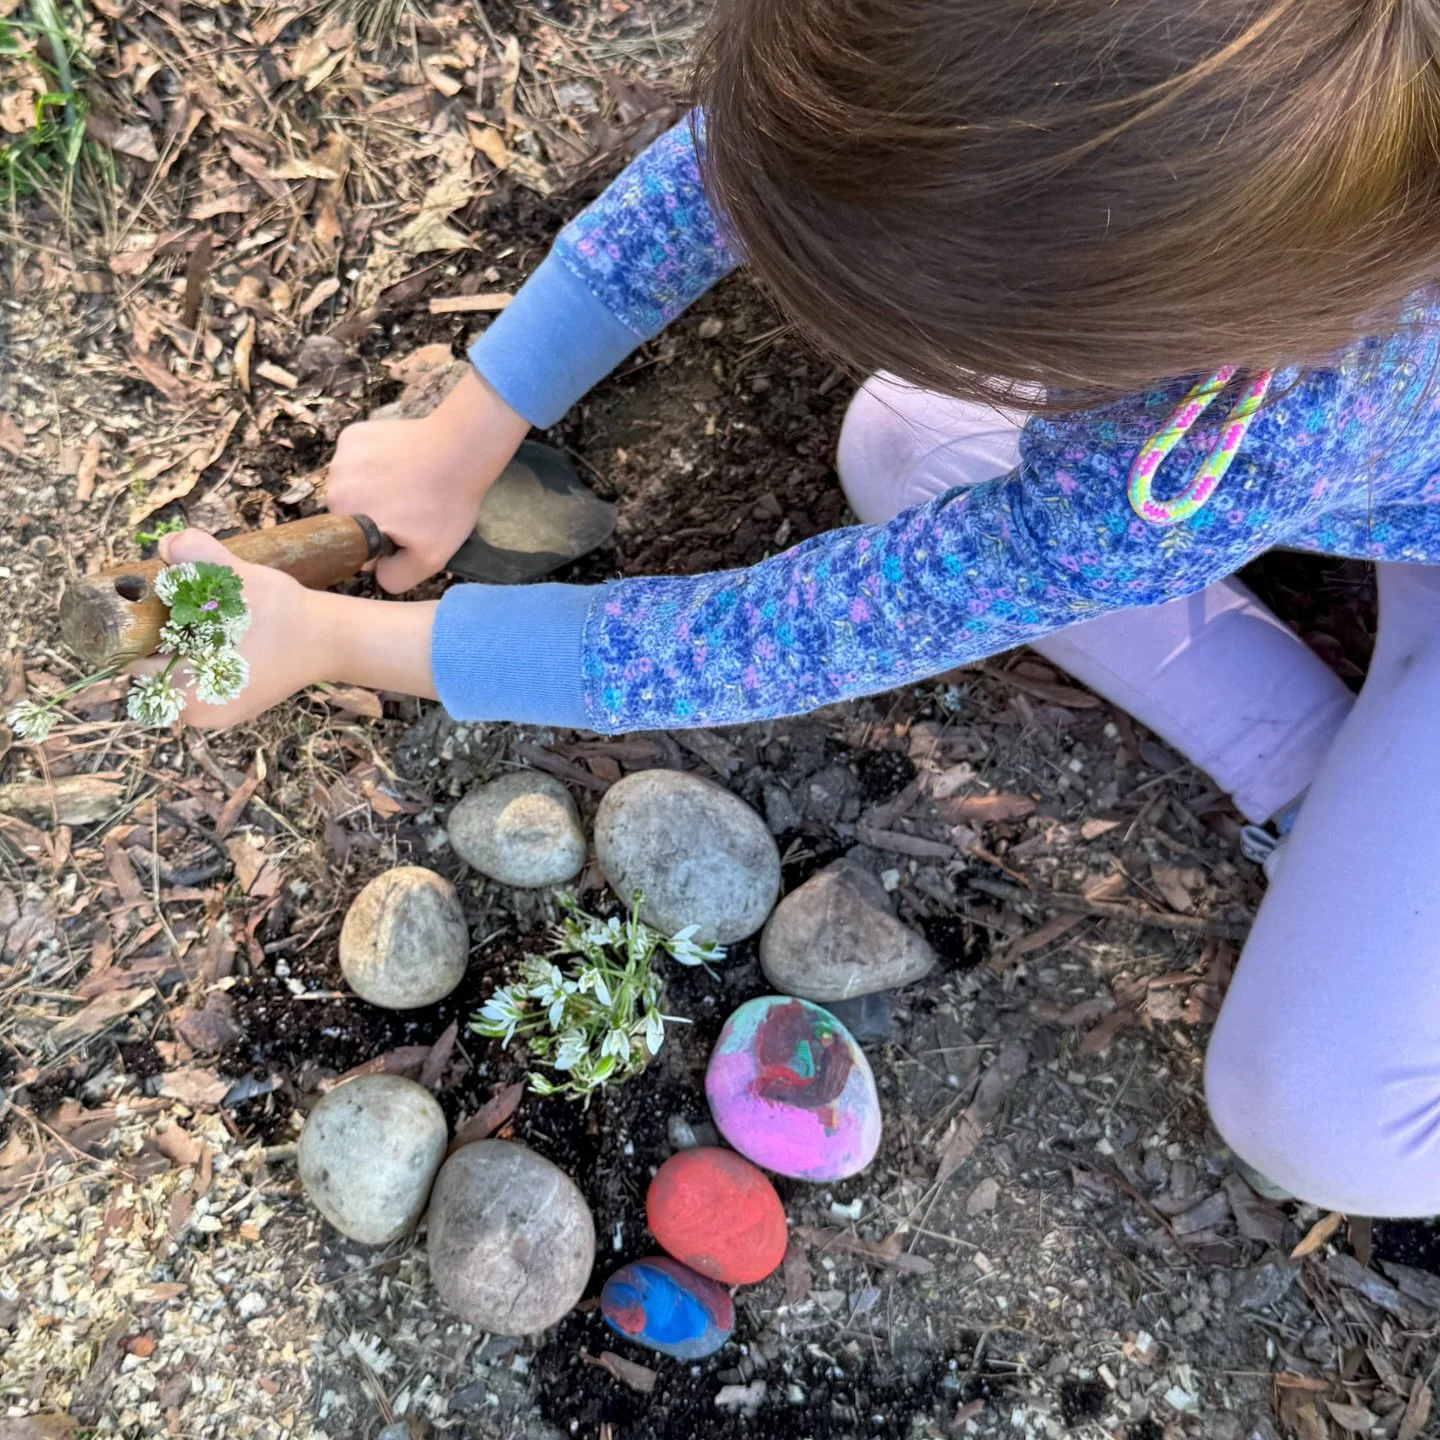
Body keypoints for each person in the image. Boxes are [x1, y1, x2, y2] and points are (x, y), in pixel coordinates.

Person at [153, 0, 1440, 1217]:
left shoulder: (1196, 463)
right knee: (904, 444)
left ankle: (1364, 813)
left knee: (1315, 1117)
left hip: (1363, 448)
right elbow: (782, 145)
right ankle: (1356, 799)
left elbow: (779, 637)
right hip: (1373, 439)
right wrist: (463, 433)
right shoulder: (1230, 90)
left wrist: (328, 640)